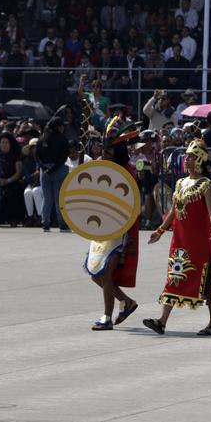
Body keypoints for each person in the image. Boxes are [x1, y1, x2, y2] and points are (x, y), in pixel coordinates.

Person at [144, 139, 211, 335]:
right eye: (186, 156)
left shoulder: (205, 184)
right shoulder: (180, 183)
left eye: (191, 156)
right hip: (180, 242)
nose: (186, 159)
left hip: (200, 242)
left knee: (207, 281)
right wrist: (160, 231)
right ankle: (161, 321)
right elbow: (172, 212)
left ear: (200, 160)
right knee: (175, 277)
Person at [85, 118, 141, 331]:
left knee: (105, 272)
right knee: (95, 272)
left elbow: (129, 203)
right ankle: (126, 301)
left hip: (119, 227)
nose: (105, 153)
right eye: (104, 150)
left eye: (109, 151)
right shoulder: (103, 165)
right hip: (101, 226)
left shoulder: (127, 171)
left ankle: (107, 317)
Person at [36, 117, 71, 232]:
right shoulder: (63, 139)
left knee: (47, 198)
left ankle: (45, 222)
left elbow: (37, 156)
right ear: (58, 127)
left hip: (44, 170)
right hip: (58, 170)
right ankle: (62, 223)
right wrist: (53, 168)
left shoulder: (42, 138)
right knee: (58, 198)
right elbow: (63, 157)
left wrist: (44, 167)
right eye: (62, 125)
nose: (63, 127)